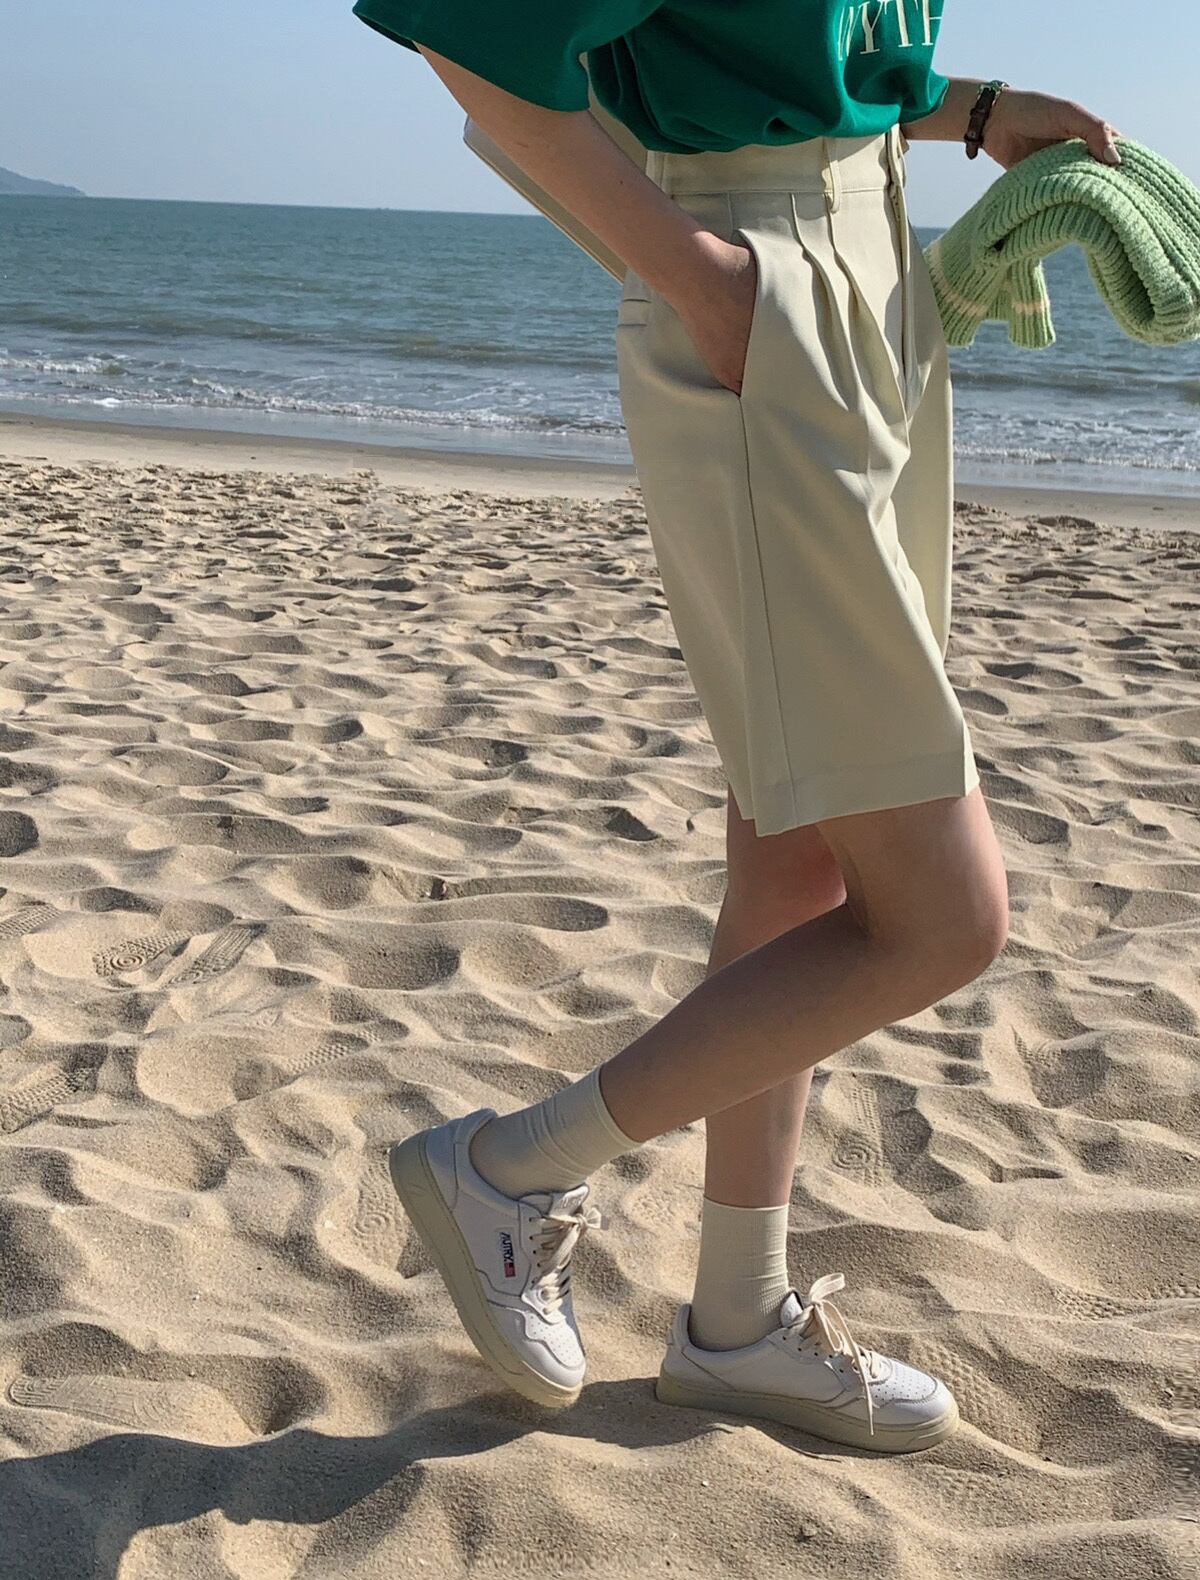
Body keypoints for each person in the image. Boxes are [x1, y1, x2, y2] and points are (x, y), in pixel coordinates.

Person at [354, 1, 1125, 1453]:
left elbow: (772, 60)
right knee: (945, 918)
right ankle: (509, 1171)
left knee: (799, 860)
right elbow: (468, 31)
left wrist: (969, 110)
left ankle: (738, 1323)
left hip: (873, 280)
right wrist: (697, 277)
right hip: (765, 299)